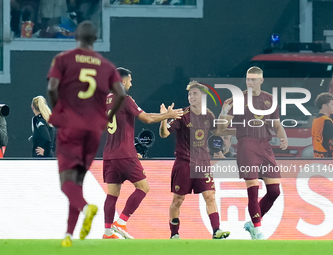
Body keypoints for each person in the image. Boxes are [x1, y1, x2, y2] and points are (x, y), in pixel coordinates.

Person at [47, 20, 126, 247]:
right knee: (78, 180)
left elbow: (52, 88)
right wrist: (108, 118)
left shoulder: (63, 59)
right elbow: (120, 93)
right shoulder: (107, 66)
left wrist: (60, 110)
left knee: (66, 182)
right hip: (93, 129)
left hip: (71, 124)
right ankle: (69, 235)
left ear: (76, 37)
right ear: (95, 39)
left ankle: (85, 207)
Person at [103, 67, 183, 239]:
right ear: (123, 81)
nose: (131, 83)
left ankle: (108, 232)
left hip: (109, 155)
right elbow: (146, 118)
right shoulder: (125, 99)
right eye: (130, 80)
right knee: (143, 187)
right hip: (125, 153)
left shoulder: (106, 100)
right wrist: (167, 115)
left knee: (112, 194)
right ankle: (121, 222)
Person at [219, 66, 288, 240]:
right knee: (253, 189)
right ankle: (257, 231)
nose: (250, 82)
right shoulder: (239, 99)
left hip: (264, 145)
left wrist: (283, 137)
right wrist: (224, 113)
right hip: (247, 144)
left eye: (253, 79)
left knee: (274, 191)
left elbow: (277, 125)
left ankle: (251, 223)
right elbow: (222, 127)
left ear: (261, 81)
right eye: (248, 79)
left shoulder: (269, 100)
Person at [159, 81, 233, 239]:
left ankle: (216, 231)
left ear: (203, 96)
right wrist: (164, 118)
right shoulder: (181, 114)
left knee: (210, 196)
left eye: (195, 94)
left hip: (203, 164)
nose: (191, 97)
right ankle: (174, 234)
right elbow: (164, 134)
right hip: (184, 163)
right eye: (190, 94)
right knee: (178, 200)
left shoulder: (209, 115)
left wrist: (225, 112)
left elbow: (218, 130)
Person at [312, 92, 333, 158]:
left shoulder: (316, 120)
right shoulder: (326, 121)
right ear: (324, 106)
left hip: (317, 157)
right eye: (332, 104)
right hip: (329, 159)